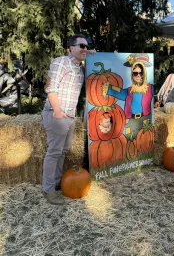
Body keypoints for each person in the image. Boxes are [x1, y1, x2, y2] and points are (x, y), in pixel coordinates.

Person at [42, 34, 95, 205]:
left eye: (87, 46)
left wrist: (93, 55)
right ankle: (49, 190)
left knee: (63, 151)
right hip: (57, 114)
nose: (85, 49)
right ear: (71, 48)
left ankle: (57, 182)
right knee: (54, 152)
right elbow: (51, 87)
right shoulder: (61, 62)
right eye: (82, 46)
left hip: (70, 116)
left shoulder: (80, 68)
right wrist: (57, 111)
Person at [102, 54, 153, 139]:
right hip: (132, 121)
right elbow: (120, 92)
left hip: (145, 120)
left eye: (141, 73)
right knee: (130, 141)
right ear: (132, 75)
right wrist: (108, 88)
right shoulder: (130, 90)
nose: (138, 75)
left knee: (144, 142)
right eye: (135, 73)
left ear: (144, 73)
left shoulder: (150, 88)